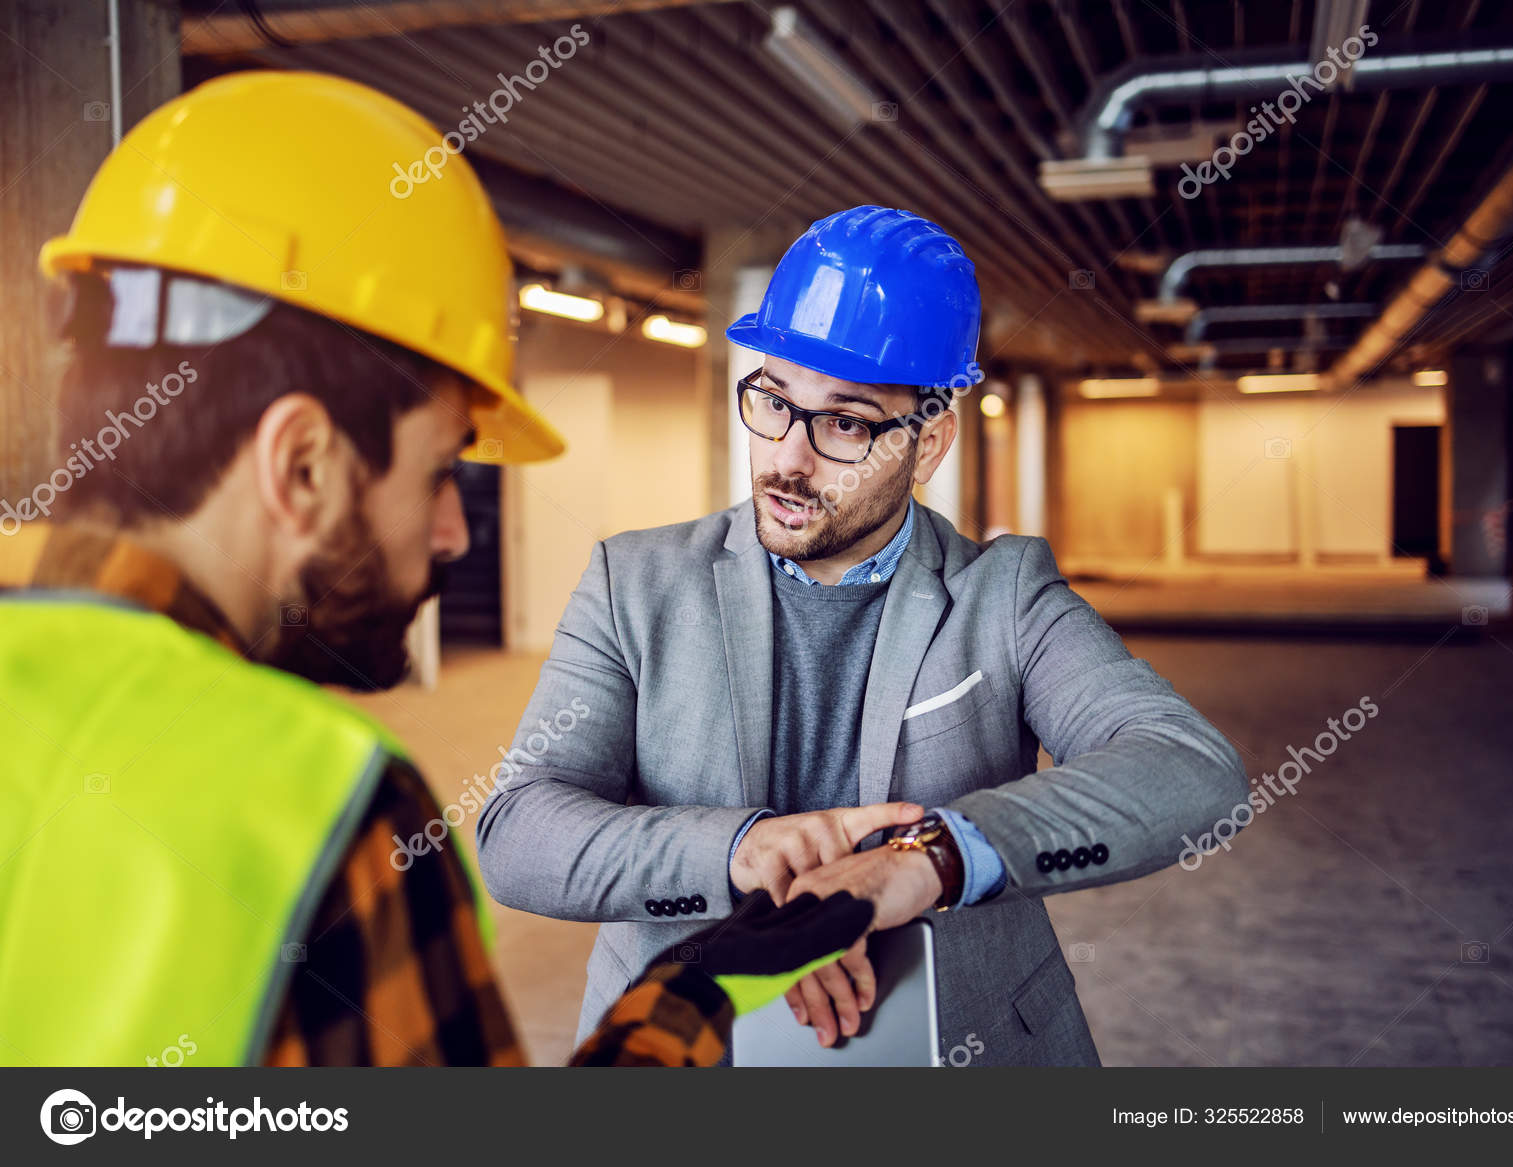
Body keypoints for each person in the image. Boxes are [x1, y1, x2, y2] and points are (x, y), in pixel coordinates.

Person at [0, 71, 867, 1068]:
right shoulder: (314, 807)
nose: (456, 531)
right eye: (441, 468)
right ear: (303, 465)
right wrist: (700, 987)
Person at [477, 205, 1250, 1065]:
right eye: (773, 399)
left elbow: (1188, 765)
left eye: (844, 422)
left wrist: (934, 857)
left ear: (929, 444)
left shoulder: (1005, 594)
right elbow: (519, 832)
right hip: (687, 1047)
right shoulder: (635, 583)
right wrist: (745, 852)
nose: (786, 459)